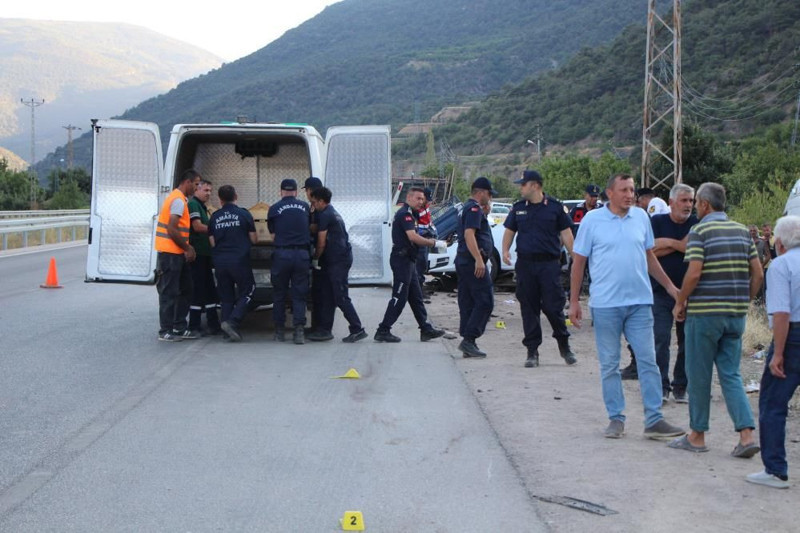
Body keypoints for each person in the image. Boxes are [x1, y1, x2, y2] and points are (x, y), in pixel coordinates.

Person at [569, 173, 685, 440]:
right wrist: (574, 302)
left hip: (640, 303)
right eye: (624, 190)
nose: (630, 195)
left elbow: (649, 257)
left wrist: (670, 287)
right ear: (610, 193)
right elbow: (578, 262)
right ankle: (616, 418)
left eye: (632, 190)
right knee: (610, 364)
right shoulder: (592, 220)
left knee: (649, 360)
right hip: (606, 304)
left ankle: (654, 419)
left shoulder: (641, 218)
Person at [670, 182, 762, 456]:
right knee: (731, 374)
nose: (694, 206)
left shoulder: (700, 231)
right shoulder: (742, 231)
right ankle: (746, 436)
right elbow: (757, 274)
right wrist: (744, 300)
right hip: (734, 316)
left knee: (698, 375)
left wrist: (681, 300)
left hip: (705, 314)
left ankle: (697, 435)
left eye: (697, 201)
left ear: (705, 205)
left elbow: (695, 273)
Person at [502, 170, 576, 368]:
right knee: (529, 307)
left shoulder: (555, 208)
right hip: (526, 265)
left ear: (534, 185)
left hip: (549, 265)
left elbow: (567, 234)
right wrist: (505, 250)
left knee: (553, 307)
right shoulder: (518, 208)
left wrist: (576, 258)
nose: (520, 188)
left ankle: (564, 345)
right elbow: (510, 230)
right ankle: (532, 352)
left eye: (523, 184)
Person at [746, 215, 800, 489]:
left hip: (792, 338)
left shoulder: (781, 266)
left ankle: (775, 469)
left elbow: (781, 313)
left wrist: (778, 353)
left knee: (772, 403)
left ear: (778, 242)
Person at [375, 186, 446, 343]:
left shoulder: (412, 215)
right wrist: (433, 243)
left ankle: (425, 328)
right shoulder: (405, 215)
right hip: (402, 260)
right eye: (418, 198)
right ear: (409, 198)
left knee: (416, 297)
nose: (421, 201)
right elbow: (413, 237)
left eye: (422, 199)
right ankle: (383, 330)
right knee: (399, 297)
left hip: (409, 261)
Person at [650, 183, 698, 404]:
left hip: (690, 293)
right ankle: (661, 386)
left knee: (687, 342)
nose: (688, 205)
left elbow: (696, 251)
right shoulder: (657, 222)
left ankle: (681, 386)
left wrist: (666, 245)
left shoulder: (697, 225)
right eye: (684, 200)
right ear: (671, 202)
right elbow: (649, 251)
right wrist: (679, 244)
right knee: (660, 339)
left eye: (691, 200)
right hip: (660, 292)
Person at [307, 186, 367, 343]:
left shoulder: (326, 215)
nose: (313, 204)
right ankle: (325, 330)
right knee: (328, 295)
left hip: (338, 260)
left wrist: (315, 257)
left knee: (340, 296)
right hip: (336, 259)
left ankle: (357, 328)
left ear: (321, 201)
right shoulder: (330, 212)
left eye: (314, 202)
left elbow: (321, 243)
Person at [155, 169, 200, 342]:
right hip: (170, 254)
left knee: (186, 289)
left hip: (176, 253)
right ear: (187, 182)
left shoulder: (180, 198)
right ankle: (165, 331)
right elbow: (171, 227)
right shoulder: (178, 201)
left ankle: (179, 326)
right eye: (195, 184)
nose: (196, 188)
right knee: (169, 292)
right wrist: (187, 247)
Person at [207, 185, 257, 342]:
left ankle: (226, 331)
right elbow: (254, 239)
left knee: (226, 297)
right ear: (236, 196)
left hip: (220, 261)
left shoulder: (214, 217)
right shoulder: (244, 214)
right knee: (248, 291)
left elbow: (212, 242)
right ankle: (232, 322)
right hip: (239, 261)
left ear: (220, 200)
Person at [456, 177, 496, 358]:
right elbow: (469, 234)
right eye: (489, 194)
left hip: (464, 261)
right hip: (472, 263)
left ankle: (467, 340)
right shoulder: (473, 208)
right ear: (480, 193)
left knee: (468, 301)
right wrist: (479, 260)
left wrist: (484, 214)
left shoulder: (468, 208)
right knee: (485, 300)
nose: (490, 198)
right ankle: (469, 339)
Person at [268, 179, 311, 344]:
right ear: (296, 192)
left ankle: (279, 331)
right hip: (301, 255)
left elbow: (273, 236)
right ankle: (299, 331)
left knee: (279, 293)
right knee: (299, 295)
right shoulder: (305, 207)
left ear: (281, 192)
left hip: (282, 254)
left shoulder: (274, 209)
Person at [187, 179, 221, 336]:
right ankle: (193, 325)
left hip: (206, 254)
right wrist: (217, 230)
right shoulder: (193, 204)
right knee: (199, 289)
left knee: (210, 289)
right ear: (196, 190)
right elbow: (197, 226)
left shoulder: (203, 206)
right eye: (205, 190)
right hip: (198, 254)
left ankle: (213, 324)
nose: (208, 193)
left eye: (210, 191)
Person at [303, 176, 325, 334]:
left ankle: (319, 327)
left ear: (309, 191)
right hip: (314, 250)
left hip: (320, 253)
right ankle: (315, 326)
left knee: (319, 291)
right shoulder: (312, 207)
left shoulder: (319, 208)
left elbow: (317, 230)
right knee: (315, 291)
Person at [416, 187, 438, 291]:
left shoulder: (426, 207)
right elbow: (415, 228)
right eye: (426, 199)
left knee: (423, 264)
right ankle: (418, 290)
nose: (427, 202)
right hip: (420, 240)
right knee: (420, 265)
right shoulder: (416, 210)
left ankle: (420, 289)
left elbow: (428, 221)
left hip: (426, 238)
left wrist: (434, 232)